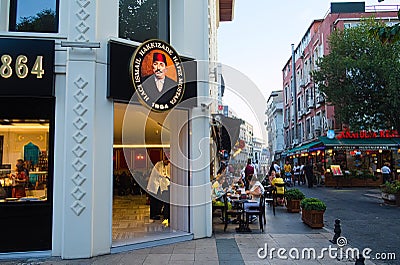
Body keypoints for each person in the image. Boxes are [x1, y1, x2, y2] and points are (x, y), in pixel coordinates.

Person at [147, 155, 171, 220]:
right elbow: (161, 174)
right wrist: (167, 177)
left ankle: (158, 213)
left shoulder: (169, 165)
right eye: (167, 161)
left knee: (159, 201)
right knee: (154, 202)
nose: (168, 162)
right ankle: (153, 215)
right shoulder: (158, 164)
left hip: (160, 186)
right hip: (154, 185)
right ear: (164, 160)